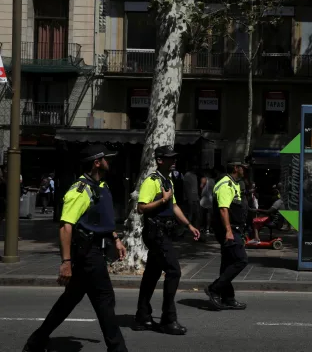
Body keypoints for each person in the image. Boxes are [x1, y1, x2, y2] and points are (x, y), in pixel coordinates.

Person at [23, 145, 128, 352]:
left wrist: (115, 238)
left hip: (93, 253)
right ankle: (118, 349)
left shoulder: (101, 186)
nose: (110, 161)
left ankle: (35, 342)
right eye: (106, 158)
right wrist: (66, 262)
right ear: (97, 162)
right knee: (105, 300)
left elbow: (101, 220)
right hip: (88, 255)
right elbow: (65, 226)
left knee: (68, 301)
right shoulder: (80, 190)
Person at [134, 145, 200, 335]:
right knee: (174, 271)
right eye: (170, 158)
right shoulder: (152, 181)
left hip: (163, 232)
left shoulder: (168, 180)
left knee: (152, 274)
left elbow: (175, 205)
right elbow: (141, 207)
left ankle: (142, 316)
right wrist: (162, 201)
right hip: (156, 233)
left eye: (174, 157)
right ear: (160, 160)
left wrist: (189, 225)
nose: (174, 161)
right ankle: (168, 319)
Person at [205, 161, 249, 310]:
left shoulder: (234, 183)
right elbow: (223, 209)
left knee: (228, 263)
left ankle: (228, 298)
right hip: (228, 230)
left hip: (234, 229)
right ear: (236, 168)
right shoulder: (226, 184)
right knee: (241, 260)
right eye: (243, 168)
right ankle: (214, 289)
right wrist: (229, 231)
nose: (245, 170)